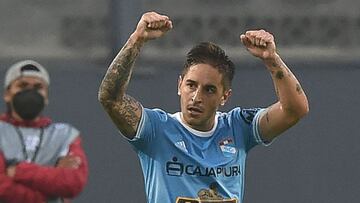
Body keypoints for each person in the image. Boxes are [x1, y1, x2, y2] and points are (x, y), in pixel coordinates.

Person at [98, 12, 309, 203]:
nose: (196, 97)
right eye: (191, 85)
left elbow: (294, 110)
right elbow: (110, 98)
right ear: (180, 85)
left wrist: (272, 60)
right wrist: (137, 39)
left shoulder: (238, 127)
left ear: (224, 97)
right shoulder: (157, 130)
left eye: (209, 90)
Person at [0, 60, 88, 203]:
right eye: (22, 86)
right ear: (7, 94)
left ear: (46, 96)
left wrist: (17, 170)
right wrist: (48, 195)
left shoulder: (65, 135)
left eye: (37, 87)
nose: (30, 92)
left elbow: (72, 182)